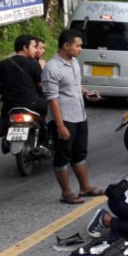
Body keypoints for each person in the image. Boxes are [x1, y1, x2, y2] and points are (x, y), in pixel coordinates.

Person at [42, 29, 103, 204]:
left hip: (79, 115)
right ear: (66, 45)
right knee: (63, 156)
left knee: (80, 153)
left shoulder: (74, 62)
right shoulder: (51, 68)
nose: (80, 49)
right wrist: (60, 126)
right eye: (77, 45)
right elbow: (52, 99)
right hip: (64, 118)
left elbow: (75, 85)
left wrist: (86, 93)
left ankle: (84, 187)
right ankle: (66, 193)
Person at [0, 35, 46, 148]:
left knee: (5, 113)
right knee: (52, 110)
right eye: (33, 46)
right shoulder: (33, 64)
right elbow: (42, 86)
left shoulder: (3, 64)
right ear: (24, 47)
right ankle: (45, 139)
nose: (35, 50)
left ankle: (4, 136)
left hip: (10, 105)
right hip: (31, 104)